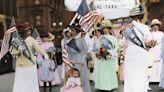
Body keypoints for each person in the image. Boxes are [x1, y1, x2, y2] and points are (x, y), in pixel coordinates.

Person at [11, 22, 48, 92]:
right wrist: (19, 51)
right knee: (21, 82)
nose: (29, 32)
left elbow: (38, 48)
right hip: (20, 65)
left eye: (30, 31)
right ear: (22, 32)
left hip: (31, 64)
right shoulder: (17, 41)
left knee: (31, 82)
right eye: (27, 31)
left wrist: (44, 54)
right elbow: (13, 53)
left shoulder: (31, 39)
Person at [123, 4, 152, 92]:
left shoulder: (127, 29)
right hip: (140, 53)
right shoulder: (145, 28)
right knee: (140, 75)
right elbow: (149, 42)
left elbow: (123, 43)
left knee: (131, 75)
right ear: (141, 16)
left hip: (131, 53)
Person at [94, 19, 119, 91]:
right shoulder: (100, 38)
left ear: (109, 29)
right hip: (102, 58)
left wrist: (111, 53)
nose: (105, 30)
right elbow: (97, 47)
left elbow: (116, 47)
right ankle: (102, 86)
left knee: (110, 72)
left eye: (106, 28)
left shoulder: (113, 38)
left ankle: (110, 86)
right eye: (104, 28)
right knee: (102, 72)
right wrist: (99, 51)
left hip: (110, 57)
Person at [66, 25, 91, 92]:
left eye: (73, 30)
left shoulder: (82, 40)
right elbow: (68, 52)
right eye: (70, 30)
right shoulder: (69, 41)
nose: (71, 32)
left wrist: (82, 60)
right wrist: (71, 60)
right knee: (74, 77)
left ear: (77, 32)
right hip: (73, 61)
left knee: (82, 77)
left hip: (81, 61)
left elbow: (85, 51)